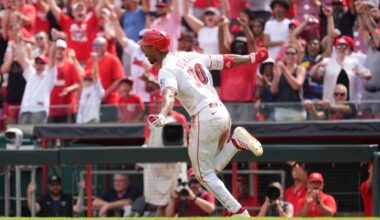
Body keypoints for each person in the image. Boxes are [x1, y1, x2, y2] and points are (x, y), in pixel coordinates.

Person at [138, 28, 267, 217]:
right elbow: (225, 61)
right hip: (222, 113)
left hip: (204, 117)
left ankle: (238, 213)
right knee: (212, 167)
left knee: (203, 175)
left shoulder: (166, 69)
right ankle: (236, 142)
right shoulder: (189, 55)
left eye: (146, 47)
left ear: (155, 48)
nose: (144, 50)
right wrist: (252, 58)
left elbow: (169, 95)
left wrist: (164, 114)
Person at [141, 108, 189, 216]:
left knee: (173, 199)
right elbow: (147, 142)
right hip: (158, 166)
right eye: (157, 102)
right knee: (160, 204)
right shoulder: (152, 119)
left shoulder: (179, 118)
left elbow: (184, 142)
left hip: (175, 165)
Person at [16, 32, 57, 124]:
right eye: (37, 62)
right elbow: (21, 59)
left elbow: (52, 59)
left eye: (41, 63)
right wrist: (19, 42)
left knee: (36, 137)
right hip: (25, 109)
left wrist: (54, 41)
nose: (39, 64)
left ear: (45, 64)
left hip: (39, 110)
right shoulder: (31, 72)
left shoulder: (49, 75)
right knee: (23, 136)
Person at [76, 53, 105, 124]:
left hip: (92, 120)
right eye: (86, 79)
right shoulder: (84, 90)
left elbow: (95, 75)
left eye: (89, 80)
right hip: (82, 121)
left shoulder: (96, 89)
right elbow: (80, 73)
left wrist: (95, 61)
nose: (87, 82)